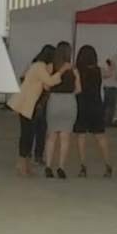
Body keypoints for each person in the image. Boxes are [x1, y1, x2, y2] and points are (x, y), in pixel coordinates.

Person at [9, 45, 60, 177]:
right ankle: (21, 163)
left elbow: (46, 86)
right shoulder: (39, 66)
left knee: (29, 134)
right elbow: (49, 81)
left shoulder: (40, 66)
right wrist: (61, 72)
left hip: (30, 104)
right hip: (27, 104)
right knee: (27, 134)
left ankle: (25, 163)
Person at [73, 45, 113, 178]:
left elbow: (77, 89)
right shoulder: (99, 71)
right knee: (100, 136)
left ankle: (83, 166)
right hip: (96, 105)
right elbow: (111, 73)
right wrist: (111, 64)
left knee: (81, 136)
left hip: (81, 105)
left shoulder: (77, 71)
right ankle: (108, 165)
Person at [44, 42, 79, 179]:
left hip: (54, 101)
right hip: (69, 101)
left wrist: (60, 72)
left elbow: (47, 86)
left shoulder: (50, 67)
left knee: (51, 136)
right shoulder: (74, 69)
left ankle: (48, 166)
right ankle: (61, 167)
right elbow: (79, 89)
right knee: (65, 137)